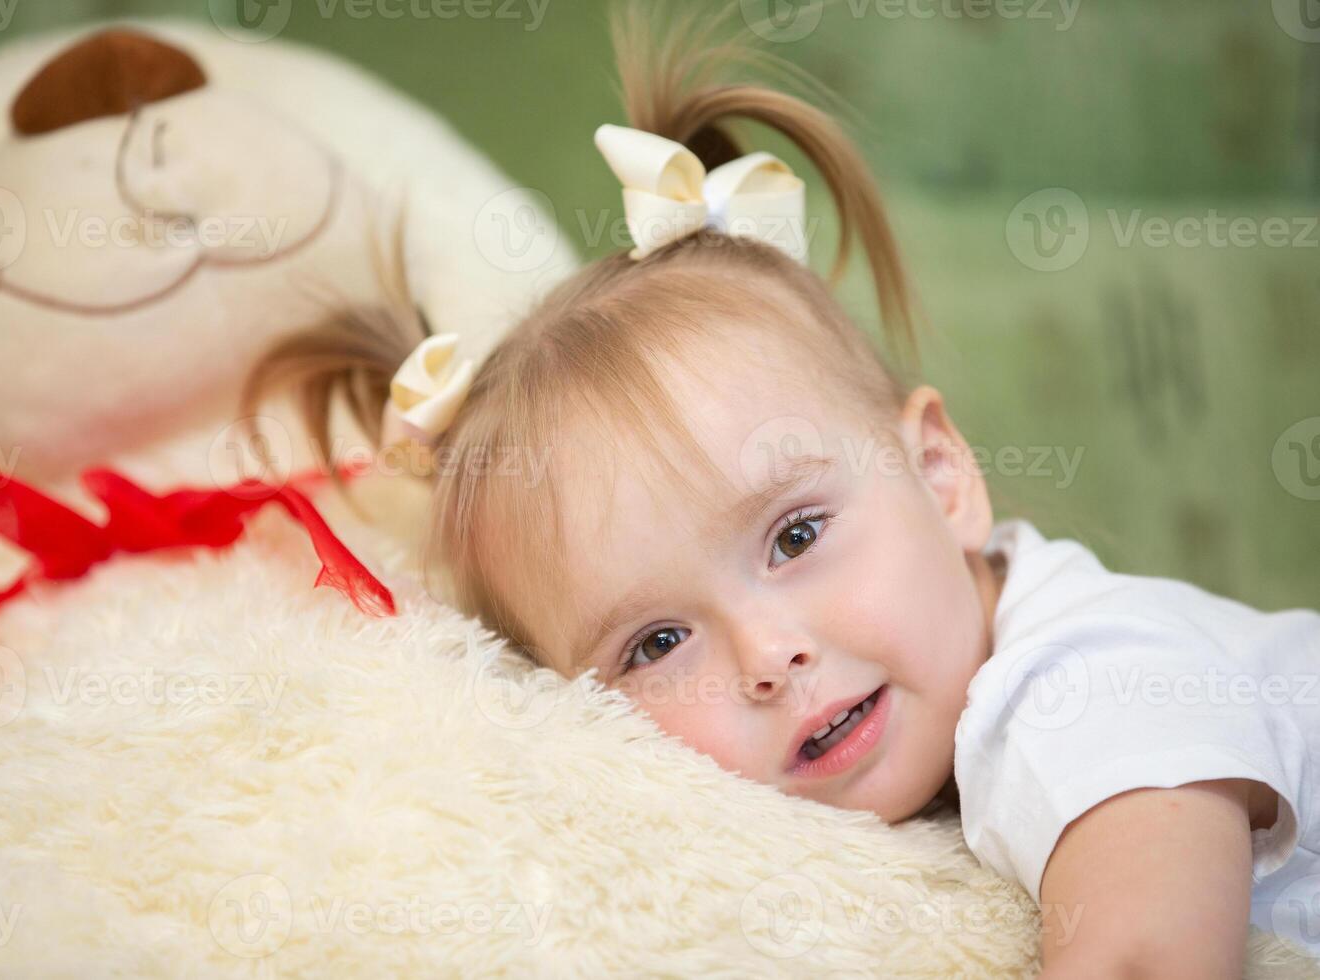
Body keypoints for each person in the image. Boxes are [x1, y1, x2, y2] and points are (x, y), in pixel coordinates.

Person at [242, 5, 1320, 974]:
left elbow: (1147, 955)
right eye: (657, 642)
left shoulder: (1075, 683)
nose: (769, 656)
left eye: (797, 533)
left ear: (940, 477)